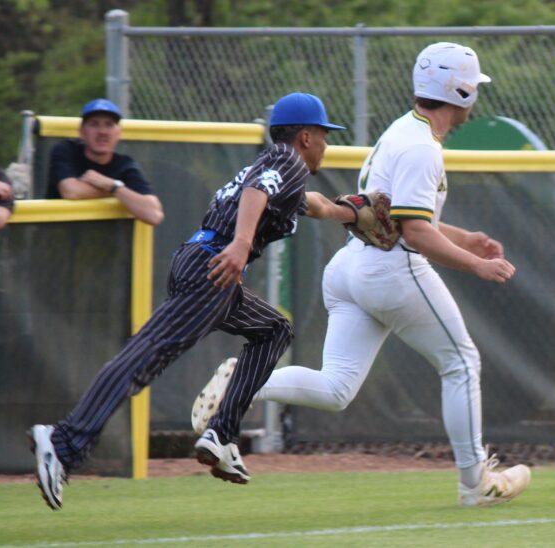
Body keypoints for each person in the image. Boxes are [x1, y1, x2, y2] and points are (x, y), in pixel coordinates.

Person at [192, 42, 531, 508]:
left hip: (351, 266)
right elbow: (414, 233)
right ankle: (476, 483)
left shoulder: (402, 130)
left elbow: (397, 215)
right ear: (462, 92)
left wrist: (465, 238)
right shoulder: (422, 148)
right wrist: (477, 265)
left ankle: (244, 382)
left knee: (336, 388)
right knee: (461, 363)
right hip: (392, 269)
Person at [28, 92, 358, 510]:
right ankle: (62, 442)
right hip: (214, 266)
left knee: (274, 330)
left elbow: (317, 205)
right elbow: (257, 191)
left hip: (207, 263)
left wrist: (354, 214)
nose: (326, 144)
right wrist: (241, 245)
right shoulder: (287, 160)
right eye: (325, 135)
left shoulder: (279, 169)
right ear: (305, 137)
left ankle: (221, 434)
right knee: (141, 358)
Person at [46, 98, 164, 226]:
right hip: (57, 233)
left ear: (118, 134)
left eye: (109, 125)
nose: (102, 132)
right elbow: (71, 191)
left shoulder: (125, 166)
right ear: (81, 132)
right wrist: (121, 192)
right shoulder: (66, 150)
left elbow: (154, 215)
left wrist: (112, 186)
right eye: (94, 124)